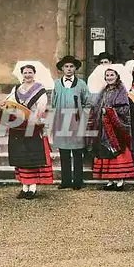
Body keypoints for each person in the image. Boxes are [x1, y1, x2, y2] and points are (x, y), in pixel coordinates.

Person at [5, 64, 53, 199]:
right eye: (25, 73)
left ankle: (32, 188)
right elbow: (9, 103)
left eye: (30, 72)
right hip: (18, 126)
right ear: (22, 74)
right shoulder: (16, 89)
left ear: (34, 73)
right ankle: (24, 187)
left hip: (32, 125)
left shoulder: (39, 89)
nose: (27, 75)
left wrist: (34, 119)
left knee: (30, 156)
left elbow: (41, 106)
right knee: (20, 156)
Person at [89, 64, 134, 191]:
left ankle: (119, 180)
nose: (109, 78)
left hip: (116, 128)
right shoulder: (103, 91)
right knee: (105, 151)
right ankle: (110, 180)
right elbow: (97, 106)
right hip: (103, 127)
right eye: (107, 75)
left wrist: (109, 111)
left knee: (117, 150)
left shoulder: (121, 91)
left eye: (112, 75)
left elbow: (125, 108)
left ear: (117, 76)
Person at [52, 55, 91, 190]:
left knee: (77, 152)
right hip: (61, 121)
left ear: (75, 68)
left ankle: (78, 181)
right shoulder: (57, 84)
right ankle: (66, 180)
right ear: (62, 68)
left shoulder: (81, 84)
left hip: (76, 121)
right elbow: (53, 102)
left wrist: (83, 118)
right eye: (66, 66)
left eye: (71, 67)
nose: (69, 69)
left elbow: (87, 102)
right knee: (63, 152)